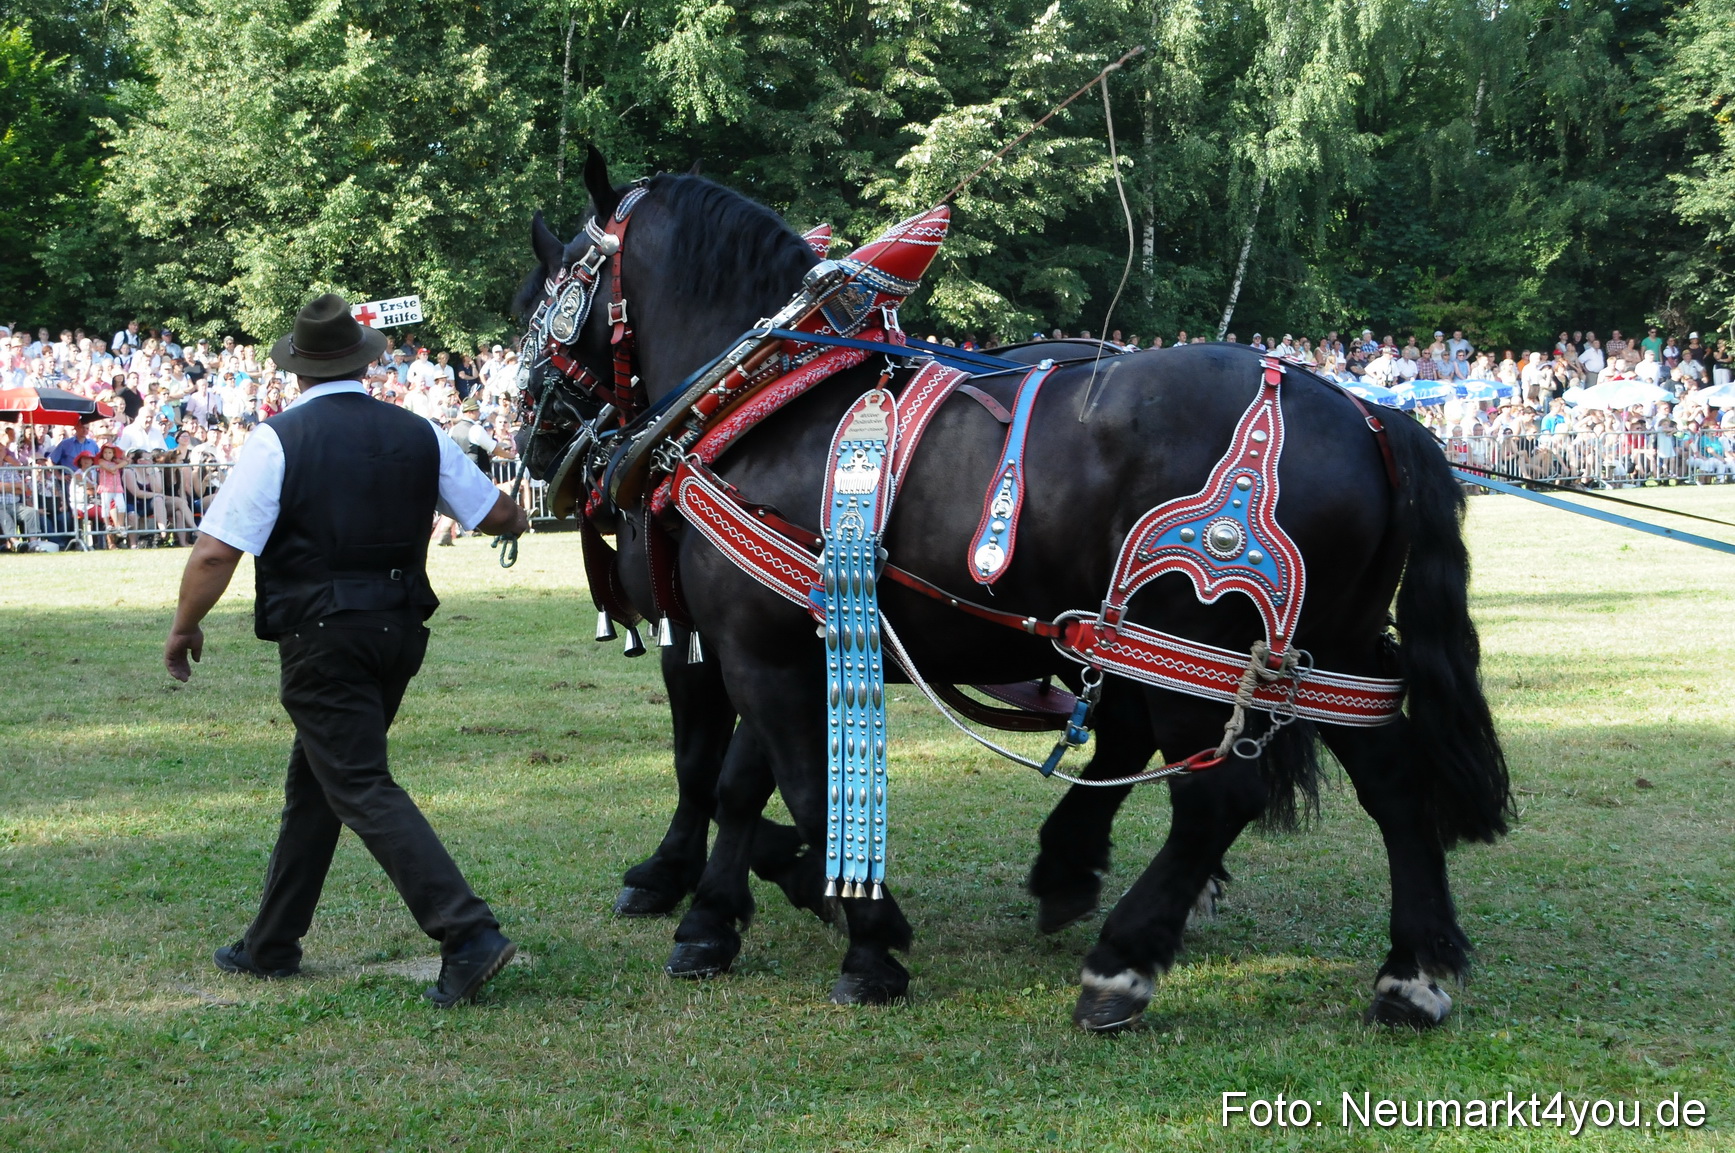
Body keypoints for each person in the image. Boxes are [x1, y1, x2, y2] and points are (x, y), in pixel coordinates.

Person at [162, 294, 529, 1007]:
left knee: (355, 780)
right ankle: (270, 942)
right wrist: (515, 503)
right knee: (320, 780)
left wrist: (183, 626)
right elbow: (499, 515)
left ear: (298, 369)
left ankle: (467, 930)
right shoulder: (420, 431)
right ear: (363, 362)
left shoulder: (278, 440)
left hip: (322, 634)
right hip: (397, 630)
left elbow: (214, 554)